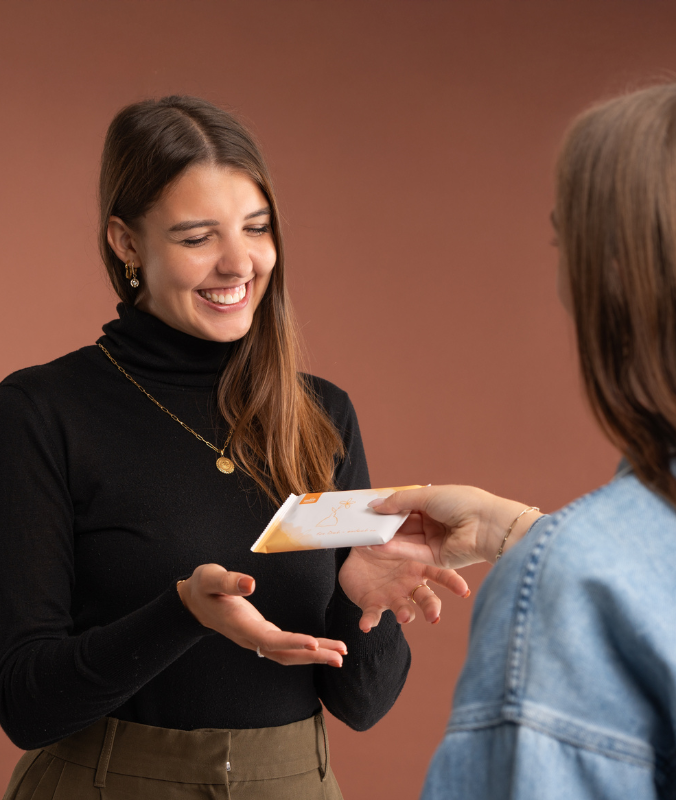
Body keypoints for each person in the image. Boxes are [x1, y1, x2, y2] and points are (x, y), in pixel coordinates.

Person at [0, 96, 467, 800]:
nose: (238, 262)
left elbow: (362, 706)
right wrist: (182, 613)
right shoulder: (42, 411)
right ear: (126, 243)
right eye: (196, 237)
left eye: (257, 228)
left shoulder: (319, 414)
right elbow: (27, 706)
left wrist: (360, 602)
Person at [369, 80, 676, 798]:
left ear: (614, 279)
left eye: (563, 240)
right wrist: (530, 540)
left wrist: (552, 566)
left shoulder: (570, 584)